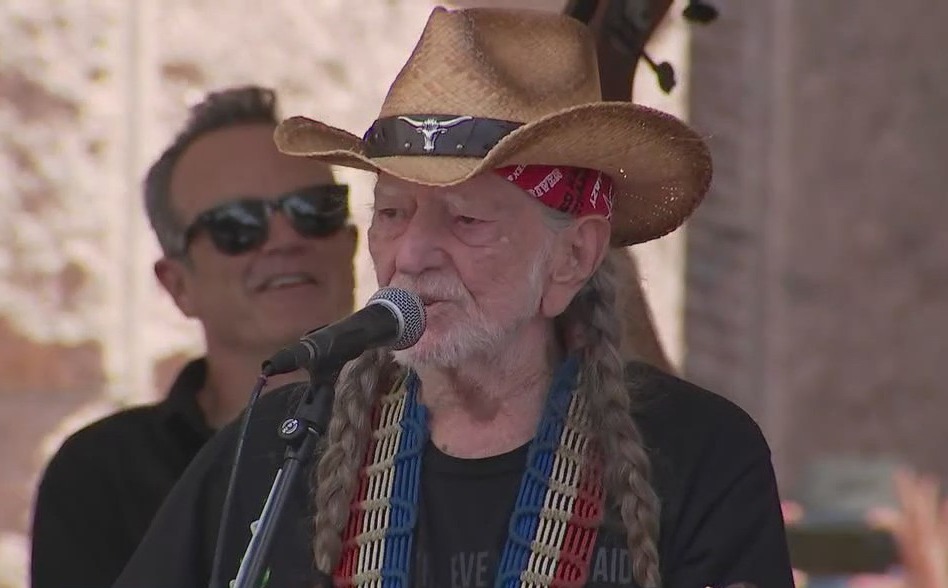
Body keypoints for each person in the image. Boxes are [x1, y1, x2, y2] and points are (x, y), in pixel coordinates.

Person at [114, 7, 794, 588]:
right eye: (392, 213)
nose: (411, 253)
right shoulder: (281, 445)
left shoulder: (700, 453)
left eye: (465, 219)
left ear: (573, 256)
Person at [30, 85, 358, 588]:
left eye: (314, 209)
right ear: (177, 284)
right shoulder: (102, 474)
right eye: (237, 226)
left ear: (353, 242)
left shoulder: (441, 430)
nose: (285, 239)